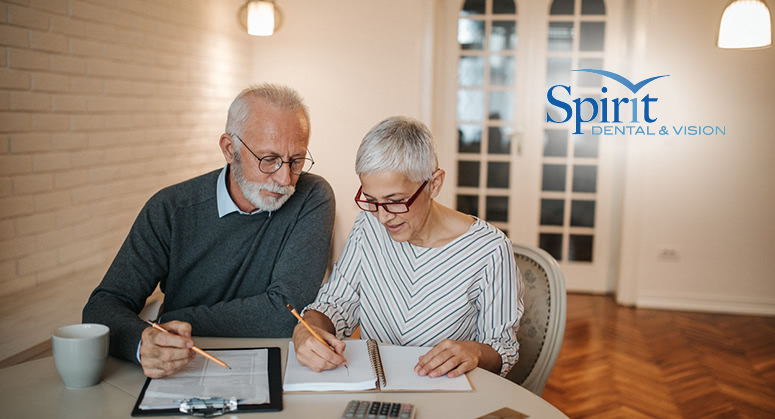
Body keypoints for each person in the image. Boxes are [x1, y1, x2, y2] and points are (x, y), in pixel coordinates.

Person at [82, 84, 335, 378]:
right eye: (269, 159)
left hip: (279, 367)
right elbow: (102, 307)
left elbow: (286, 313)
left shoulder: (312, 196)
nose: (284, 178)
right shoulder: (170, 209)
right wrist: (143, 342)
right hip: (182, 369)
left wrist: (172, 318)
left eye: (296, 161)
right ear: (230, 149)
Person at [292, 116, 523, 379]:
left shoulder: (490, 250)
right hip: (376, 391)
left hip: (447, 395)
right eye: (371, 200)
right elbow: (336, 303)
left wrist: (476, 352)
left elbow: (503, 349)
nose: (383, 217)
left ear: (434, 184)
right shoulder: (368, 226)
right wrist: (308, 327)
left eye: (395, 201)